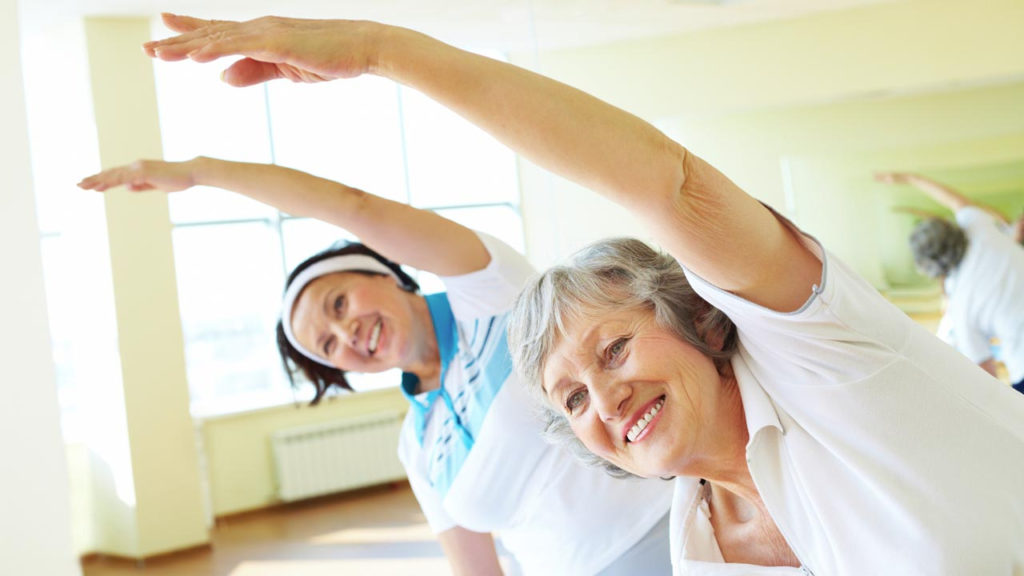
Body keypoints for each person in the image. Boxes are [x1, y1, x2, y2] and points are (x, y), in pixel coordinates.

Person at [135, 13, 1024, 575]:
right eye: (569, 396)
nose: (603, 397)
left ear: (700, 323)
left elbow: (668, 185)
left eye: (615, 349)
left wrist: (379, 51)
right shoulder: (699, 543)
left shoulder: (827, 362)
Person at [78, 156, 674, 575]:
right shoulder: (419, 444)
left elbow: (352, 205)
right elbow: (474, 566)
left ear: (385, 270)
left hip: (674, 535)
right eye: (329, 347)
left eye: (339, 304)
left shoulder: (492, 297)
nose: (347, 335)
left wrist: (201, 173)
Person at [877, 171, 1024, 393]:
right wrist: (909, 179)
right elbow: (955, 200)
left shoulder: (960, 308)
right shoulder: (980, 228)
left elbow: (987, 374)